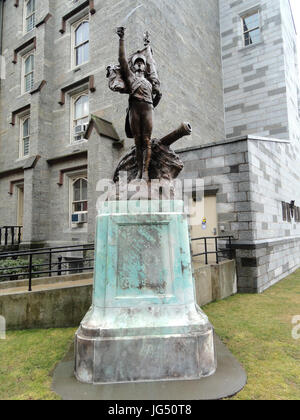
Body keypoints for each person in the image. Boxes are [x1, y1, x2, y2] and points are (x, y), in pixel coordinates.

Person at [116, 26, 161, 181]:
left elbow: (158, 95)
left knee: (146, 141)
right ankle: (138, 173)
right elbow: (122, 60)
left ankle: (145, 172)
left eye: (142, 63)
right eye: (137, 63)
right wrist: (121, 39)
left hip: (148, 108)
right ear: (134, 66)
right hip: (134, 109)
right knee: (138, 141)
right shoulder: (130, 78)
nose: (141, 64)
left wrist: (153, 104)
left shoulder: (150, 82)